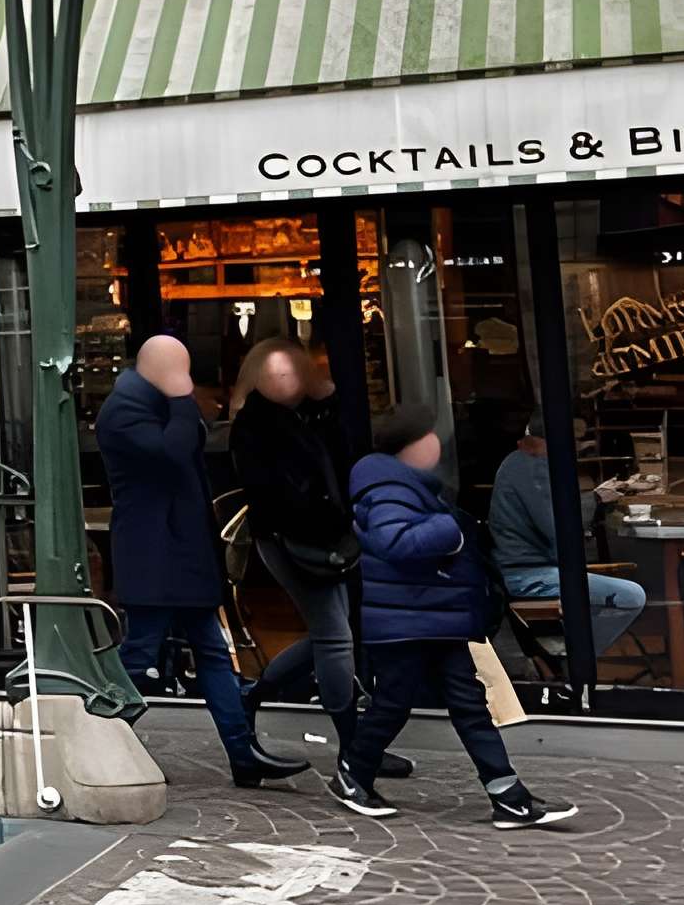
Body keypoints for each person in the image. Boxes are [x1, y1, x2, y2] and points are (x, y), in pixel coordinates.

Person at [335, 405, 576, 827]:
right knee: (394, 703)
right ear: (411, 444)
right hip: (405, 621)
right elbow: (394, 542)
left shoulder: (406, 484)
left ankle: (507, 795)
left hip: (432, 615)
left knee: (469, 704)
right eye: (429, 435)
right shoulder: (388, 486)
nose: (437, 444)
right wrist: (453, 532)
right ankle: (353, 773)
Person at [99, 333, 302, 789]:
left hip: (182, 549)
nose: (186, 380)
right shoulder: (124, 411)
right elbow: (172, 453)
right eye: (178, 370)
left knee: (211, 652)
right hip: (153, 552)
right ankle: (97, 741)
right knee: (139, 653)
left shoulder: (153, 406)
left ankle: (243, 754)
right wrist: (180, 400)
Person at [228, 339, 408, 777]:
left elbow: (344, 459)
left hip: (328, 535)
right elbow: (271, 492)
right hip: (294, 540)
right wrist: (320, 517)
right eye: (275, 374)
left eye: (291, 372)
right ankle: (353, 746)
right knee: (335, 636)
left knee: (331, 634)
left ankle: (251, 695)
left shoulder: (316, 413)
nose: (284, 381)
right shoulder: (255, 425)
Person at [485, 415, 652, 665]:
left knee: (622, 592)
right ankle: (573, 664)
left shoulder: (522, 463)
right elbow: (557, 526)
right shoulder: (531, 467)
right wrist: (595, 499)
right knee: (631, 595)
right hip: (528, 575)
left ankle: (569, 660)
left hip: (530, 570)